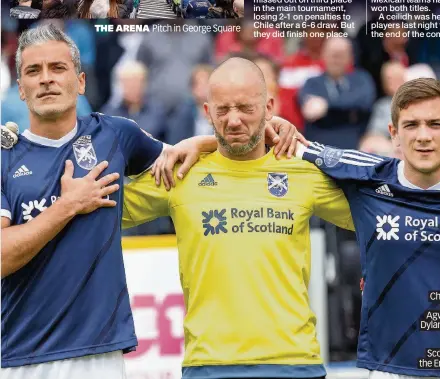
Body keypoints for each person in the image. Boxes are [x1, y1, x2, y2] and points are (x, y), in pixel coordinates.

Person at [0, 24, 302, 379]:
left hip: (102, 353)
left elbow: (176, 160)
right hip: (21, 356)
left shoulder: (115, 134)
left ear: (81, 82)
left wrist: (236, 134)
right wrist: (67, 206)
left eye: (57, 68)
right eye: (34, 71)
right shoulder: (5, 156)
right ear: (20, 89)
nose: (46, 79)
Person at [121, 57, 355, 379]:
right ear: (206, 113)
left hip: (294, 363)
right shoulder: (182, 172)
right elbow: (98, 210)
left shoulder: (302, 171)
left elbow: (378, 214)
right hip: (208, 367)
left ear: (269, 107)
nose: (233, 120)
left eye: (245, 108)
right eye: (222, 110)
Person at [297, 78, 440, 379]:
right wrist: (202, 142)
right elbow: (290, 146)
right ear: (394, 133)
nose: (423, 136)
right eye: (411, 125)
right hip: (391, 365)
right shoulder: (369, 179)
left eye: (435, 124)